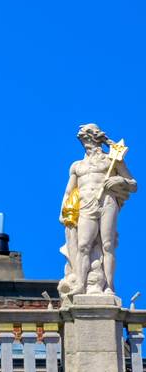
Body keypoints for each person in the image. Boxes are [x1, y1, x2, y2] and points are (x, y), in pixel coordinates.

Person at [59, 124, 136, 296]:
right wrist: (63, 210)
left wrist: (119, 182)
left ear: (97, 141)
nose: (87, 147)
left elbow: (133, 184)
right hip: (86, 204)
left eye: (89, 142)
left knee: (107, 245)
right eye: (84, 143)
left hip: (107, 202)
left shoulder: (112, 161)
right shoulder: (77, 166)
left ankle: (109, 286)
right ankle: (80, 283)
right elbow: (68, 191)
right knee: (83, 246)